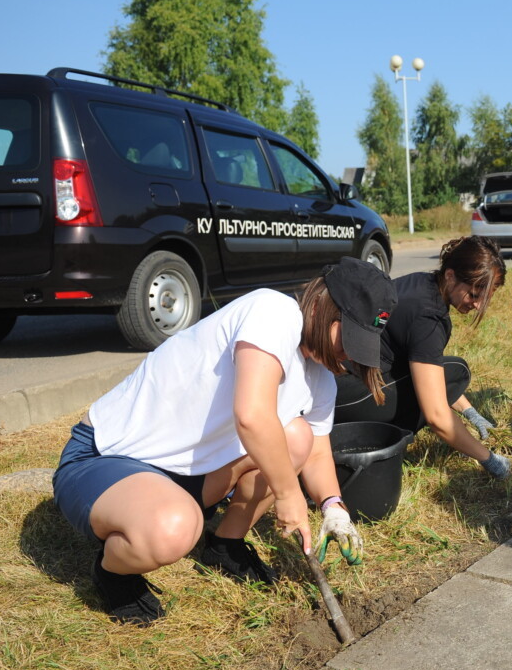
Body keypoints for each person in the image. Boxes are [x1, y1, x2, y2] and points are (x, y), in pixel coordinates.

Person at [52, 257, 395, 625]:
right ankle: (112, 572)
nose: (348, 355)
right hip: (106, 459)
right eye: (347, 338)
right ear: (319, 306)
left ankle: (225, 546)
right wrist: (288, 493)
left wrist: (332, 506)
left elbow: (314, 450)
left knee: (297, 438)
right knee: (172, 529)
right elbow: (252, 416)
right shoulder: (274, 312)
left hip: (188, 475)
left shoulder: (320, 380)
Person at [334, 236, 511, 479]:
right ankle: (380, 434)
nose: (479, 305)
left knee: (450, 371)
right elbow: (436, 415)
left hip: (334, 385)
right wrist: (489, 459)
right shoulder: (429, 319)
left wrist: (471, 413)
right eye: (473, 294)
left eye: (485, 298)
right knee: (457, 372)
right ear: (450, 275)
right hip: (349, 399)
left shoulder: (421, 283)